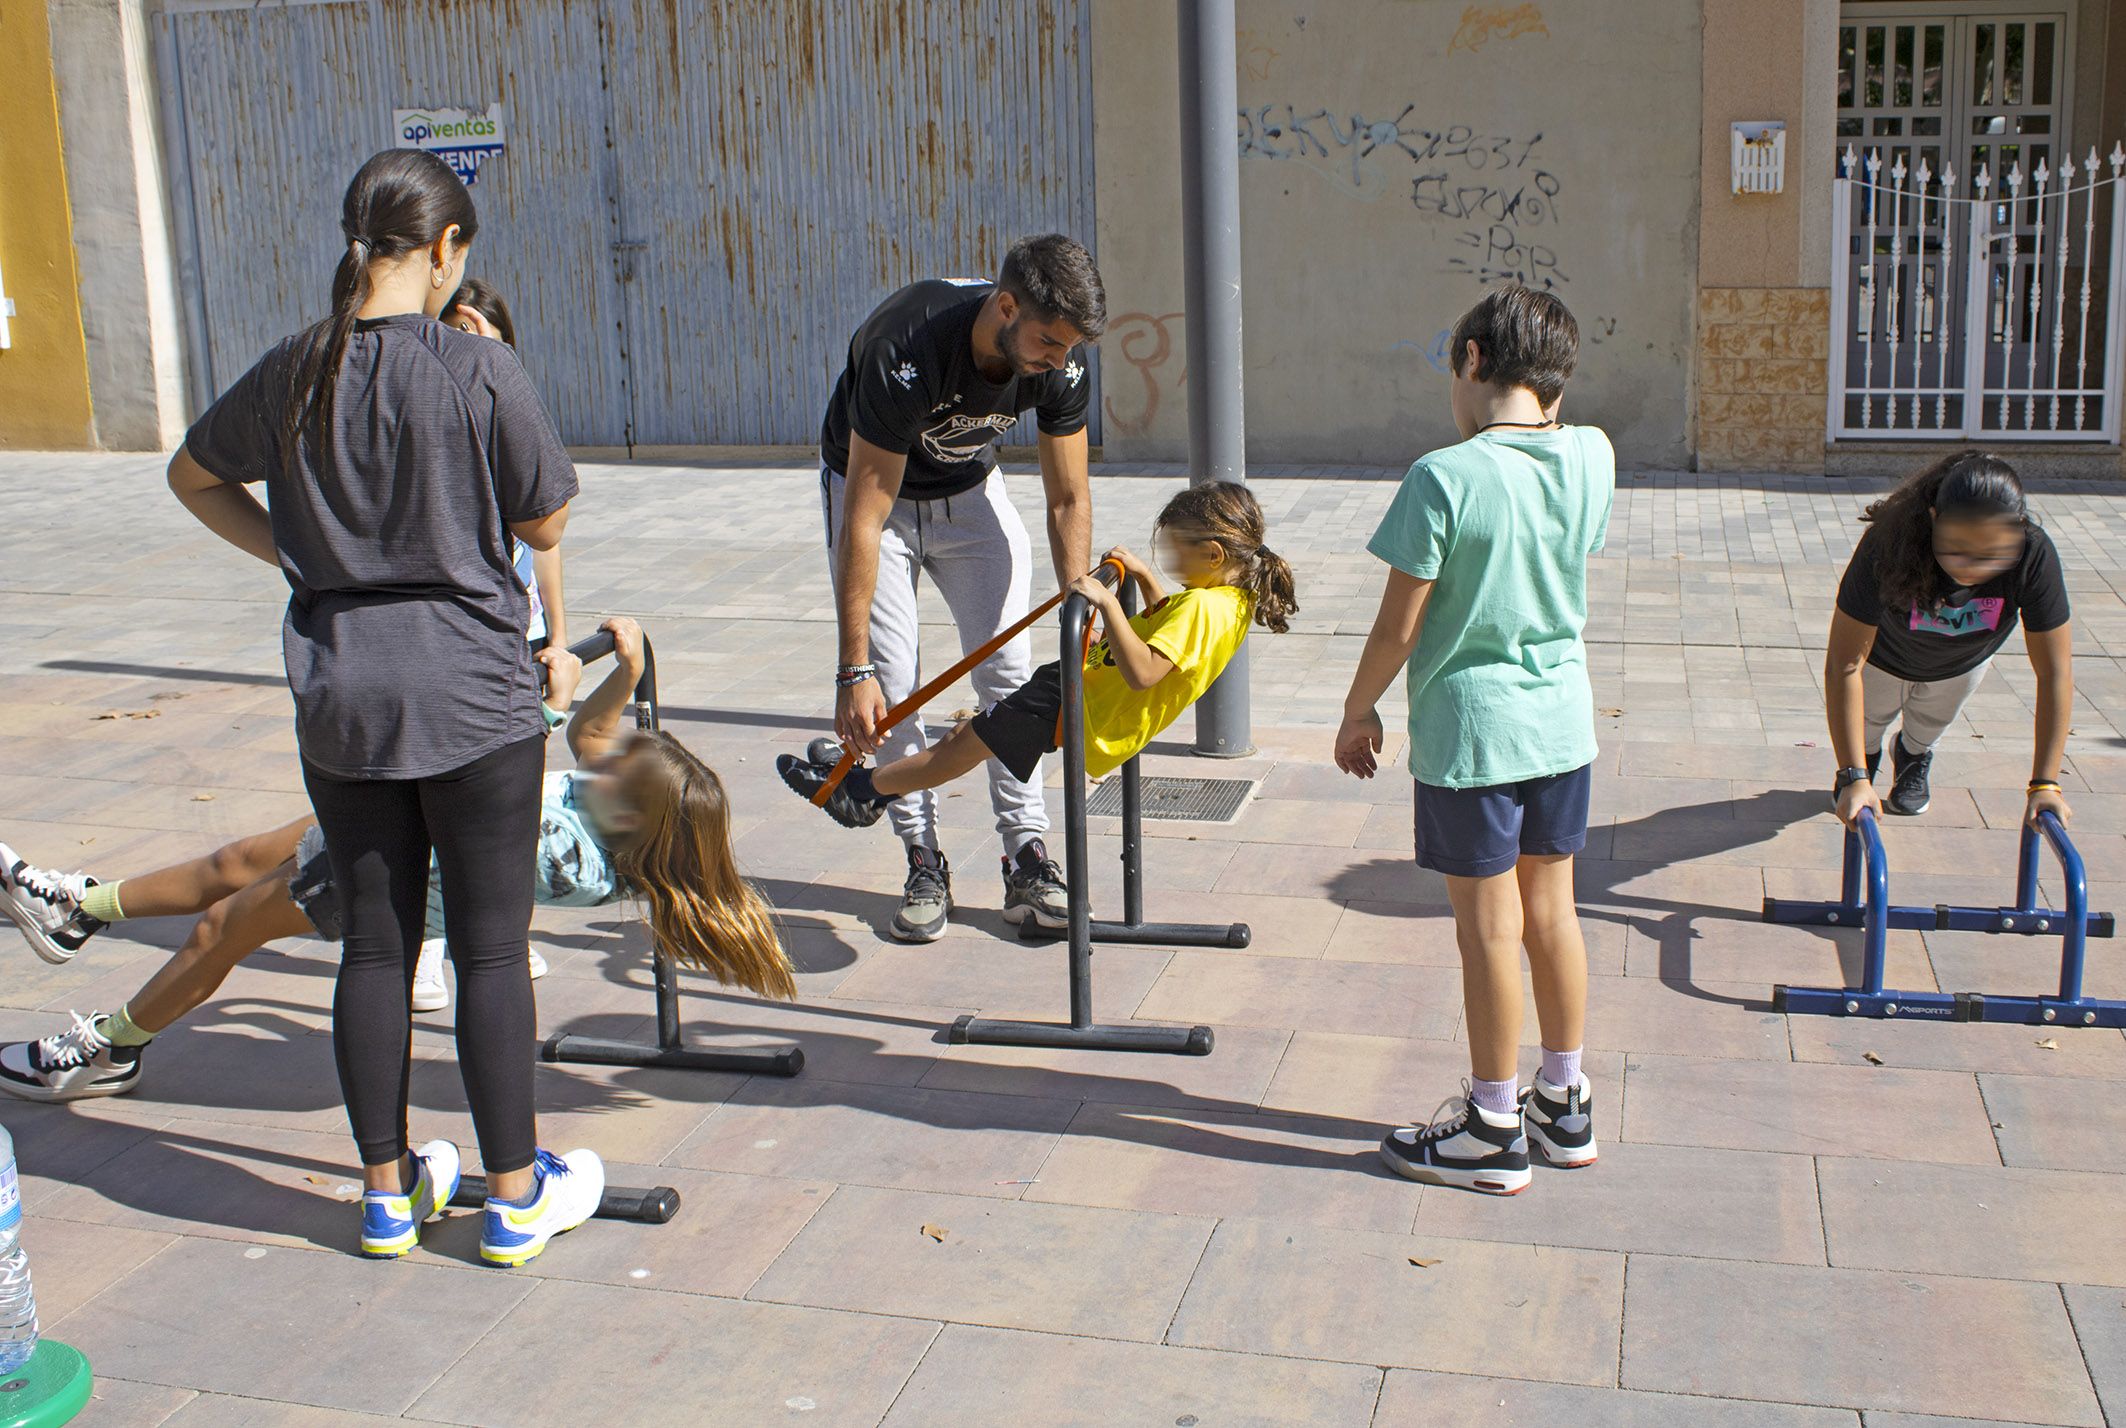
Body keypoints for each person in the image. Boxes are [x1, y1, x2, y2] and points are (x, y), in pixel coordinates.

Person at [161, 148, 597, 1266]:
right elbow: (545, 524)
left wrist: (298, 560)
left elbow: (192, 476)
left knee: (373, 946)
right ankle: (511, 1199)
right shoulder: (473, 367)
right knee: (491, 954)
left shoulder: (293, 367)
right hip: (471, 689)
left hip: (342, 687)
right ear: (446, 249)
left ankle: (384, 1194)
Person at [0, 617, 793, 1104]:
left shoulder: (569, 857)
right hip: (388, 819)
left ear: (629, 814)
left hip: (379, 874)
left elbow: (498, 791)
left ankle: (111, 1049)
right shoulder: (615, 818)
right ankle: (81, 910)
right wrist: (624, 667)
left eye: (621, 768)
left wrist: (543, 707)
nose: (606, 756)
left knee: (221, 929)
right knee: (234, 860)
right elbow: (592, 737)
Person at [1335, 285, 1612, 1197]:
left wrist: (1358, 706)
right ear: (1555, 386)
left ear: (1469, 360)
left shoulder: (1443, 477)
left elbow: (1398, 624)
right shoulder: (1593, 458)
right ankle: (1561, 1105)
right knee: (1554, 916)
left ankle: (1493, 1125)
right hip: (1563, 726)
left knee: (1488, 930)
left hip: (1475, 733)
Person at [821, 234, 1104, 940]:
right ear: (1005, 306)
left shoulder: (1059, 366)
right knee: (889, 683)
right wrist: (851, 668)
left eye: (1071, 348)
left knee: (1012, 680)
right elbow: (865, 512)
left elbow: (1068, 498)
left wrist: (1079, 604)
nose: (1058, 361)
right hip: (875, 502)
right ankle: (922, 856)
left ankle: (1027, 859)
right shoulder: (906, 345)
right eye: (1047, 343)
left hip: (971, 495)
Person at [783, 483, 1294, 838]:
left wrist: (1109, 602)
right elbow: (1168, 623)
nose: (1169, 561)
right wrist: (1140, 576)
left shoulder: (1207, 606)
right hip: (1077, 691)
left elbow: (1144, 673)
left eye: (1175, 551)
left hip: (1078, 707)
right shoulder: (1228, 601)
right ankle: (872, 788)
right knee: (967, 739)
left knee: (961, 747)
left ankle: (861, 793)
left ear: (1212, 554)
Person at [1824, 451, 2073, 828]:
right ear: (1934, 518)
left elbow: (2055, 673)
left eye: (1991, 553)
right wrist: (1852, 776)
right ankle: (1868, 758)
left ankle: (1913, 756)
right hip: (1883, 658)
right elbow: (1844, 664)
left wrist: (2046, 783)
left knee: (1928, 724)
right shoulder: (1888, 544)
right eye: (1957, 548)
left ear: (2018, 527)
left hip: (1961, 663)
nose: (1970, 566)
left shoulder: (2033, 554)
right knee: (1867, 724)